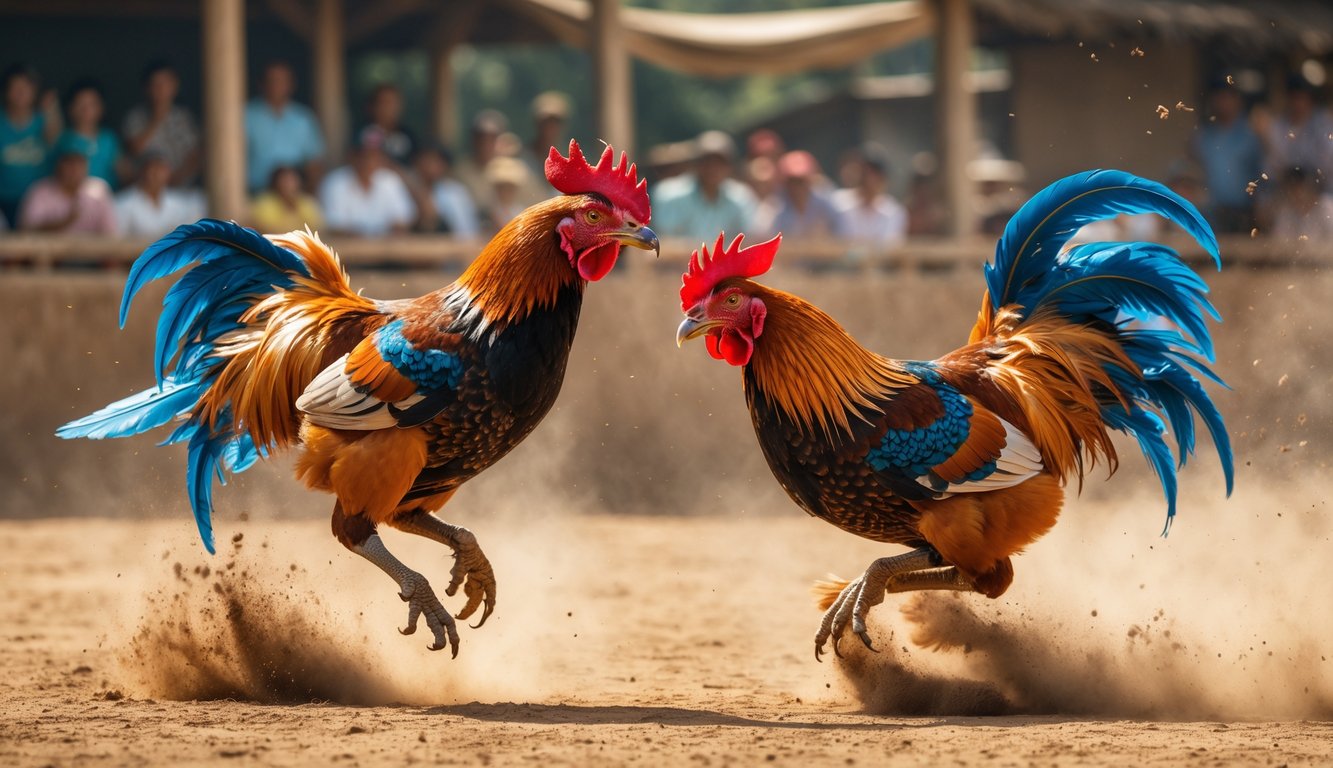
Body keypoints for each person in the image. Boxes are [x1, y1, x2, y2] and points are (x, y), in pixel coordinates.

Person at [651, 131, 756, 241]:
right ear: (695, 163)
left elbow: (748, 242)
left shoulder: (741, 197)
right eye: (707, 161)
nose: (713, 168)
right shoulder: (669, 194)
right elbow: (661, 243)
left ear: (730, 166)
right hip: (678, 259)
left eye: (719, 162)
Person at [1190, 80, 1263, 233]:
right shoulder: (1203, 137)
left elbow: (1260, 174)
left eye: (1227, 97)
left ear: (1237, 100)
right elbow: (1194, 172)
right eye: (1218, 97)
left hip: (1244, 212)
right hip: (1211, 213)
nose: (1222, 102)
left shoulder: (1250, 135)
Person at [244, 61, 325, 192]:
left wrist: (309, 192)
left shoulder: (303, 118)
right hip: (255, 192)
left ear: (292, 85)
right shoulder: (246, 115)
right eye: (272, 80)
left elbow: (314, 161)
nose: (277, 86)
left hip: (293, 194)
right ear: (261, 84)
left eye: (282, 81)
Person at [318, 132, 415, 237]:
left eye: (375, 155)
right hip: (346, 251)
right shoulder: (335, 182)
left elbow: (403, 221)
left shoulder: (389, 180)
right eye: (365, 155)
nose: (370, 161)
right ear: (352, 156)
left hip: (386, 250)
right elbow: (335, 228)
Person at [121, 60, 200, 187]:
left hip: (183, 190)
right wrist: (156, 119)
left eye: (165, 83)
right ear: (146, 88)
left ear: (175, 85)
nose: (161, 89)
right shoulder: (135, 117)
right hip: (145, 191)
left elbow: (196, 155)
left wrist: (177, 178)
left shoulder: (184, 117)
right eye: (155, 84)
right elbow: (135, 149)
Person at [1, 64, 61, 226]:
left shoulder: (44, 121)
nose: (21, 93)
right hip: (3, 200)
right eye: (15, 88)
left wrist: (51, 112)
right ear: (6, 91)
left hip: (39, 202)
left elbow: (57, 145)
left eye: (26, 88)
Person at [18, 144, 116, 234]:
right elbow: (26, 230)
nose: (75, 168)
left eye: (80, 162)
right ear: (58, 165)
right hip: (48, 253)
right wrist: (63, 222)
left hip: (91, 252)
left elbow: (110, 234)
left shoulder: (99, 190)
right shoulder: (40, 191)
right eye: (70, 163)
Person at [832, 144, 907, 248]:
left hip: (880, 264)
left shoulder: (893, 212)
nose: (869, 180)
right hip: (843, 264)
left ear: (883, 179)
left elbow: (890, 249)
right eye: (865, 173)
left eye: (875, 174)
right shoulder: (838, 203)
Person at [751, 150, 836, 240]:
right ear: (784, 182)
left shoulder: (826, 201)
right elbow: (760, 240)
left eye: (802, 181)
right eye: (792, 181)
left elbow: (845, 238)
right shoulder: (773, 207)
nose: (798, 187)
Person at [115, 152, 205, 236]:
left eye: (162, 169)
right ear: (142, 171)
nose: (157, 174)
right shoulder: (124, 203)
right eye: (153, 168)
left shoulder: (178, 202)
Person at [1263, 75, 1333, 184]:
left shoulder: (1323, 124)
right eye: (1294, 98)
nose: (1298, 103)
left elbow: (1328, 164)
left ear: (1309, 99)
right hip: (1286, 190)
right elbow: (1272, 166)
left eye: (1301, 98)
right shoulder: (1279, 126)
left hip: (1319, 190)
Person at [57, 79, 124, 189]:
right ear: (70, 108)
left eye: (92, 104)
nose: (86, 109)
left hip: (104, 200)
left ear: (101, 108)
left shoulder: (109, 138)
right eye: (80, 103)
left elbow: (122, 170)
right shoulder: (63, 139)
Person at [410, 145, 479, 237]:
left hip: (455, 246)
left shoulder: (455, 193)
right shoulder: (409, 187)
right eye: (426, 161)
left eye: (435, 161)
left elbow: (466, 232)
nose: (430, 166)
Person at [454, 109, 508, 218]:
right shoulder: (460, 171)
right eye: (481, 138)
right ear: (473, 139)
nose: (485, 144)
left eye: (491, 138)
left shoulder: (511, 170)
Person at [356, 83, 414, 169]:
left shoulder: (408, 135)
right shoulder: (362, 133)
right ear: (372, 106)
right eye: (384, 102)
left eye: (393, 103)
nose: (389, 108)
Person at [250, 165, 323, 233]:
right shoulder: (265, 203)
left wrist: (295, 207)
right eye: (285, 181)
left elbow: (317, 227)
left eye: (292, 180)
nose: (289, 185)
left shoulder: (307, 202)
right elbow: (267, 229)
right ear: (275, 183)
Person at [1271, 166, 1333, 242]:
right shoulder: (1287, 212)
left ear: (1309, 187)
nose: (1296, 195)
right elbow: (1280, 242)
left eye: (1299, 190)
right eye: (1291, 192)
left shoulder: (1326, 206)